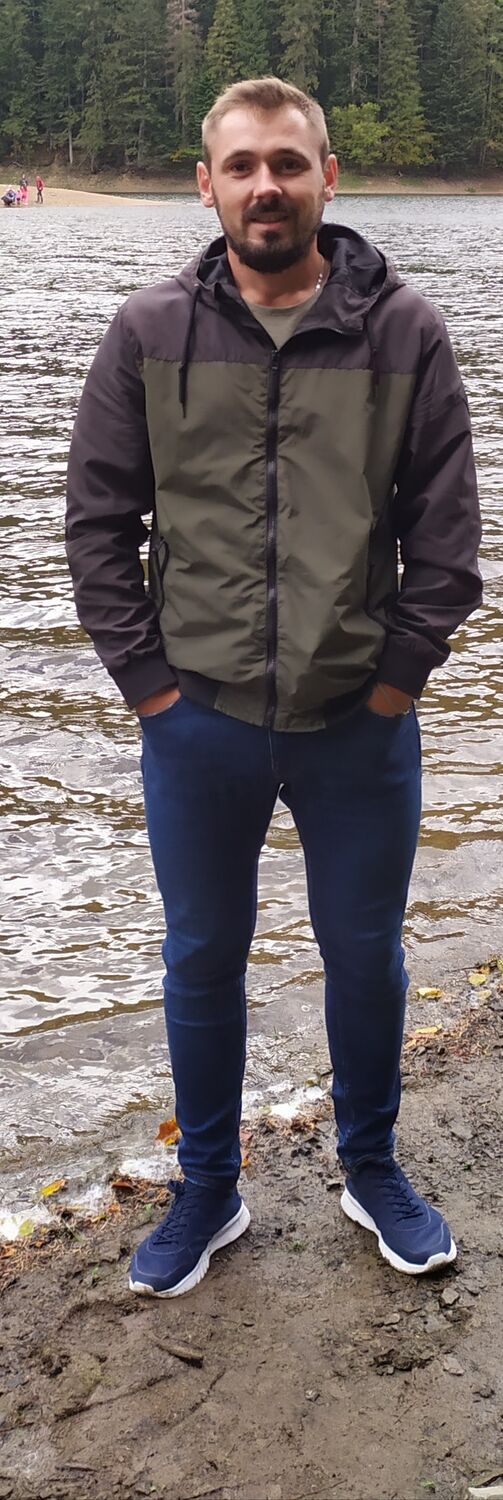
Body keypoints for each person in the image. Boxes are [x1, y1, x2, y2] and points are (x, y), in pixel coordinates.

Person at [66, 77, 482, 1299]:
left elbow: (444, 542)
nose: (265, 186)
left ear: (326, 177)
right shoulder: (149, 331)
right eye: (241, 165)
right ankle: (208, 1187)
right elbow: (97, 524)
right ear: (205, 184)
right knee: (201, 956)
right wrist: (149, 690)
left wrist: (394, 686)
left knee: (363, 953)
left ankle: (370, 1166)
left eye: (287, 163)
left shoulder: (402, 332)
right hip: (195, 719)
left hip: (358, 724)